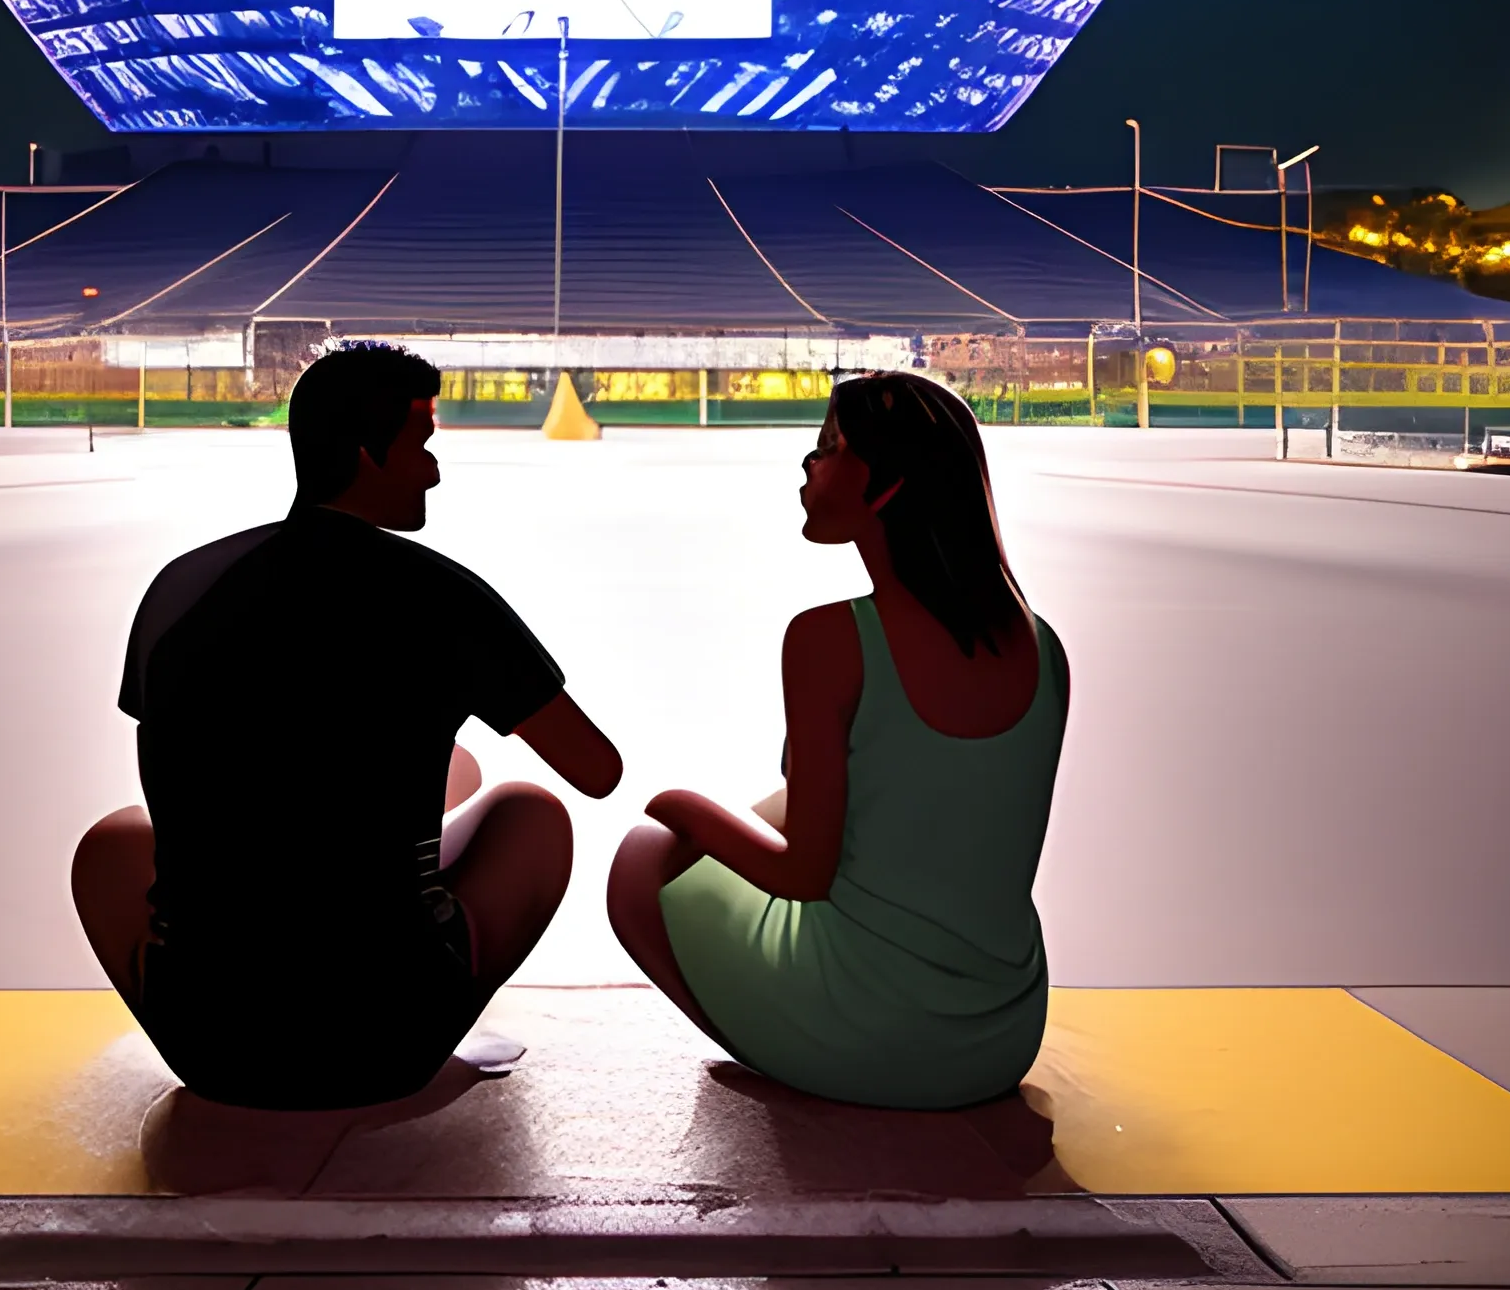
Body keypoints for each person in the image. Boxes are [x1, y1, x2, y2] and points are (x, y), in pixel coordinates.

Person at [74, 341, 621, 1134]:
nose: (433, 471)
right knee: (531, 812)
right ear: (367, 453)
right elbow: (595, 770)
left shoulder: (183, 585)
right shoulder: (441, 595)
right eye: (423, 446)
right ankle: (445, 1014)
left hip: (213, 1042)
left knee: (113, 841)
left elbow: (181, 772)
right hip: (384, 1041)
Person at [606, 371, 1068, 1108]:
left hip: (871, 1032)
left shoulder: (830, 639)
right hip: (1002, 1037)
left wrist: (683, 805)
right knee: (789, 803)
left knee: (641, 860)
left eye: (829, 448)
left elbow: (803, 877)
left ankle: (788, 1049)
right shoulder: (1043, 646)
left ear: (886, 486)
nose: (808, 464)